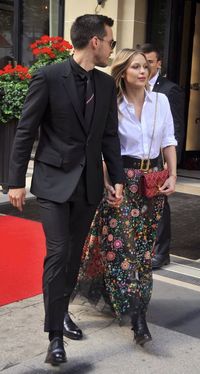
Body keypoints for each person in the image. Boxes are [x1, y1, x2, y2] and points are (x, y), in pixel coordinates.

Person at [8, 14, 124, 366]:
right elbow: (25, 130)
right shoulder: (48, 76)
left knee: (73, 258)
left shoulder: (105, 85)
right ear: (94, 42)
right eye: (110, 42)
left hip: (88, 186)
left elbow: (109, 136)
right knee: (58, 254)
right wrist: (14, 181)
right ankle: (54, 336)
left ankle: (61, 312)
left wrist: (116, 179)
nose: (111, 48)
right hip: (54, 182)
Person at [76, 49, 177, 346]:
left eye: (145, 66)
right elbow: (107, 148)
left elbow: (169, 140)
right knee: (122, 247)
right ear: (123, 72)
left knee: (144, 251)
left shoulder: (161, 101)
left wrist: (173, 174)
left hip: (153, 183)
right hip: (122, 180)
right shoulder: (113, 104)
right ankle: (137, 318)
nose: (143, 72)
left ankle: (128, 299)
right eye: (136, 67)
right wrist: (109, 182)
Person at [139, 43, 185, 270]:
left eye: (149, 61)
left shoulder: (169, 90)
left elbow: (175, 129)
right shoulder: (132, 87)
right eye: (141, 61)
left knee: (159, 207)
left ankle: (162, 252)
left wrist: (170, 166)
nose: (144, 66)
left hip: (158, 160)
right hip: (136, 161)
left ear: (158, 63)